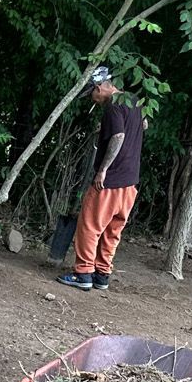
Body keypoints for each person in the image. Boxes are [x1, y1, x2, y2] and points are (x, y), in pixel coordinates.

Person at [59, 66, 145, 294]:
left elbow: (118, 136)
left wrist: (103, 170)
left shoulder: (113, 107)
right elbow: (143, 125)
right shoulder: (134, 102)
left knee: (89, 225)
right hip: (130, 183)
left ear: (99, 87)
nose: (93, 100)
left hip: (110, 181)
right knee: (112, 231)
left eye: (92, 95)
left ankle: (83, 273)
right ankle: (101, 275)